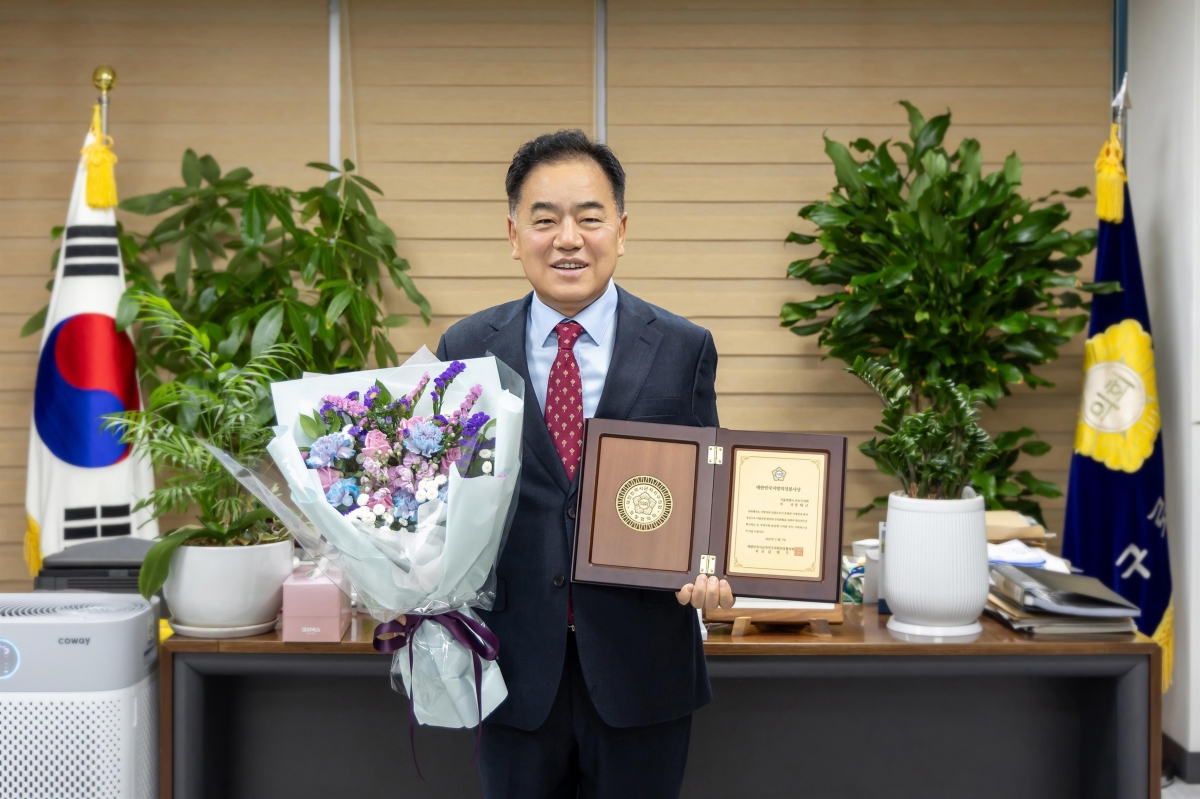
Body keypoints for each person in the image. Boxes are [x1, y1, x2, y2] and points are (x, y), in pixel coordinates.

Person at [437, 129, 735, 799]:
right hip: (512, 668)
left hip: (643, 668)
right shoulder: (467, 347)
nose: (568, 238)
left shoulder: (684, 347)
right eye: (544, 219)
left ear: (621, 230)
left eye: (589, 217)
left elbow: (704, 494)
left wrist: (713, 567)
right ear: (514, 235)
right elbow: (450, 501)